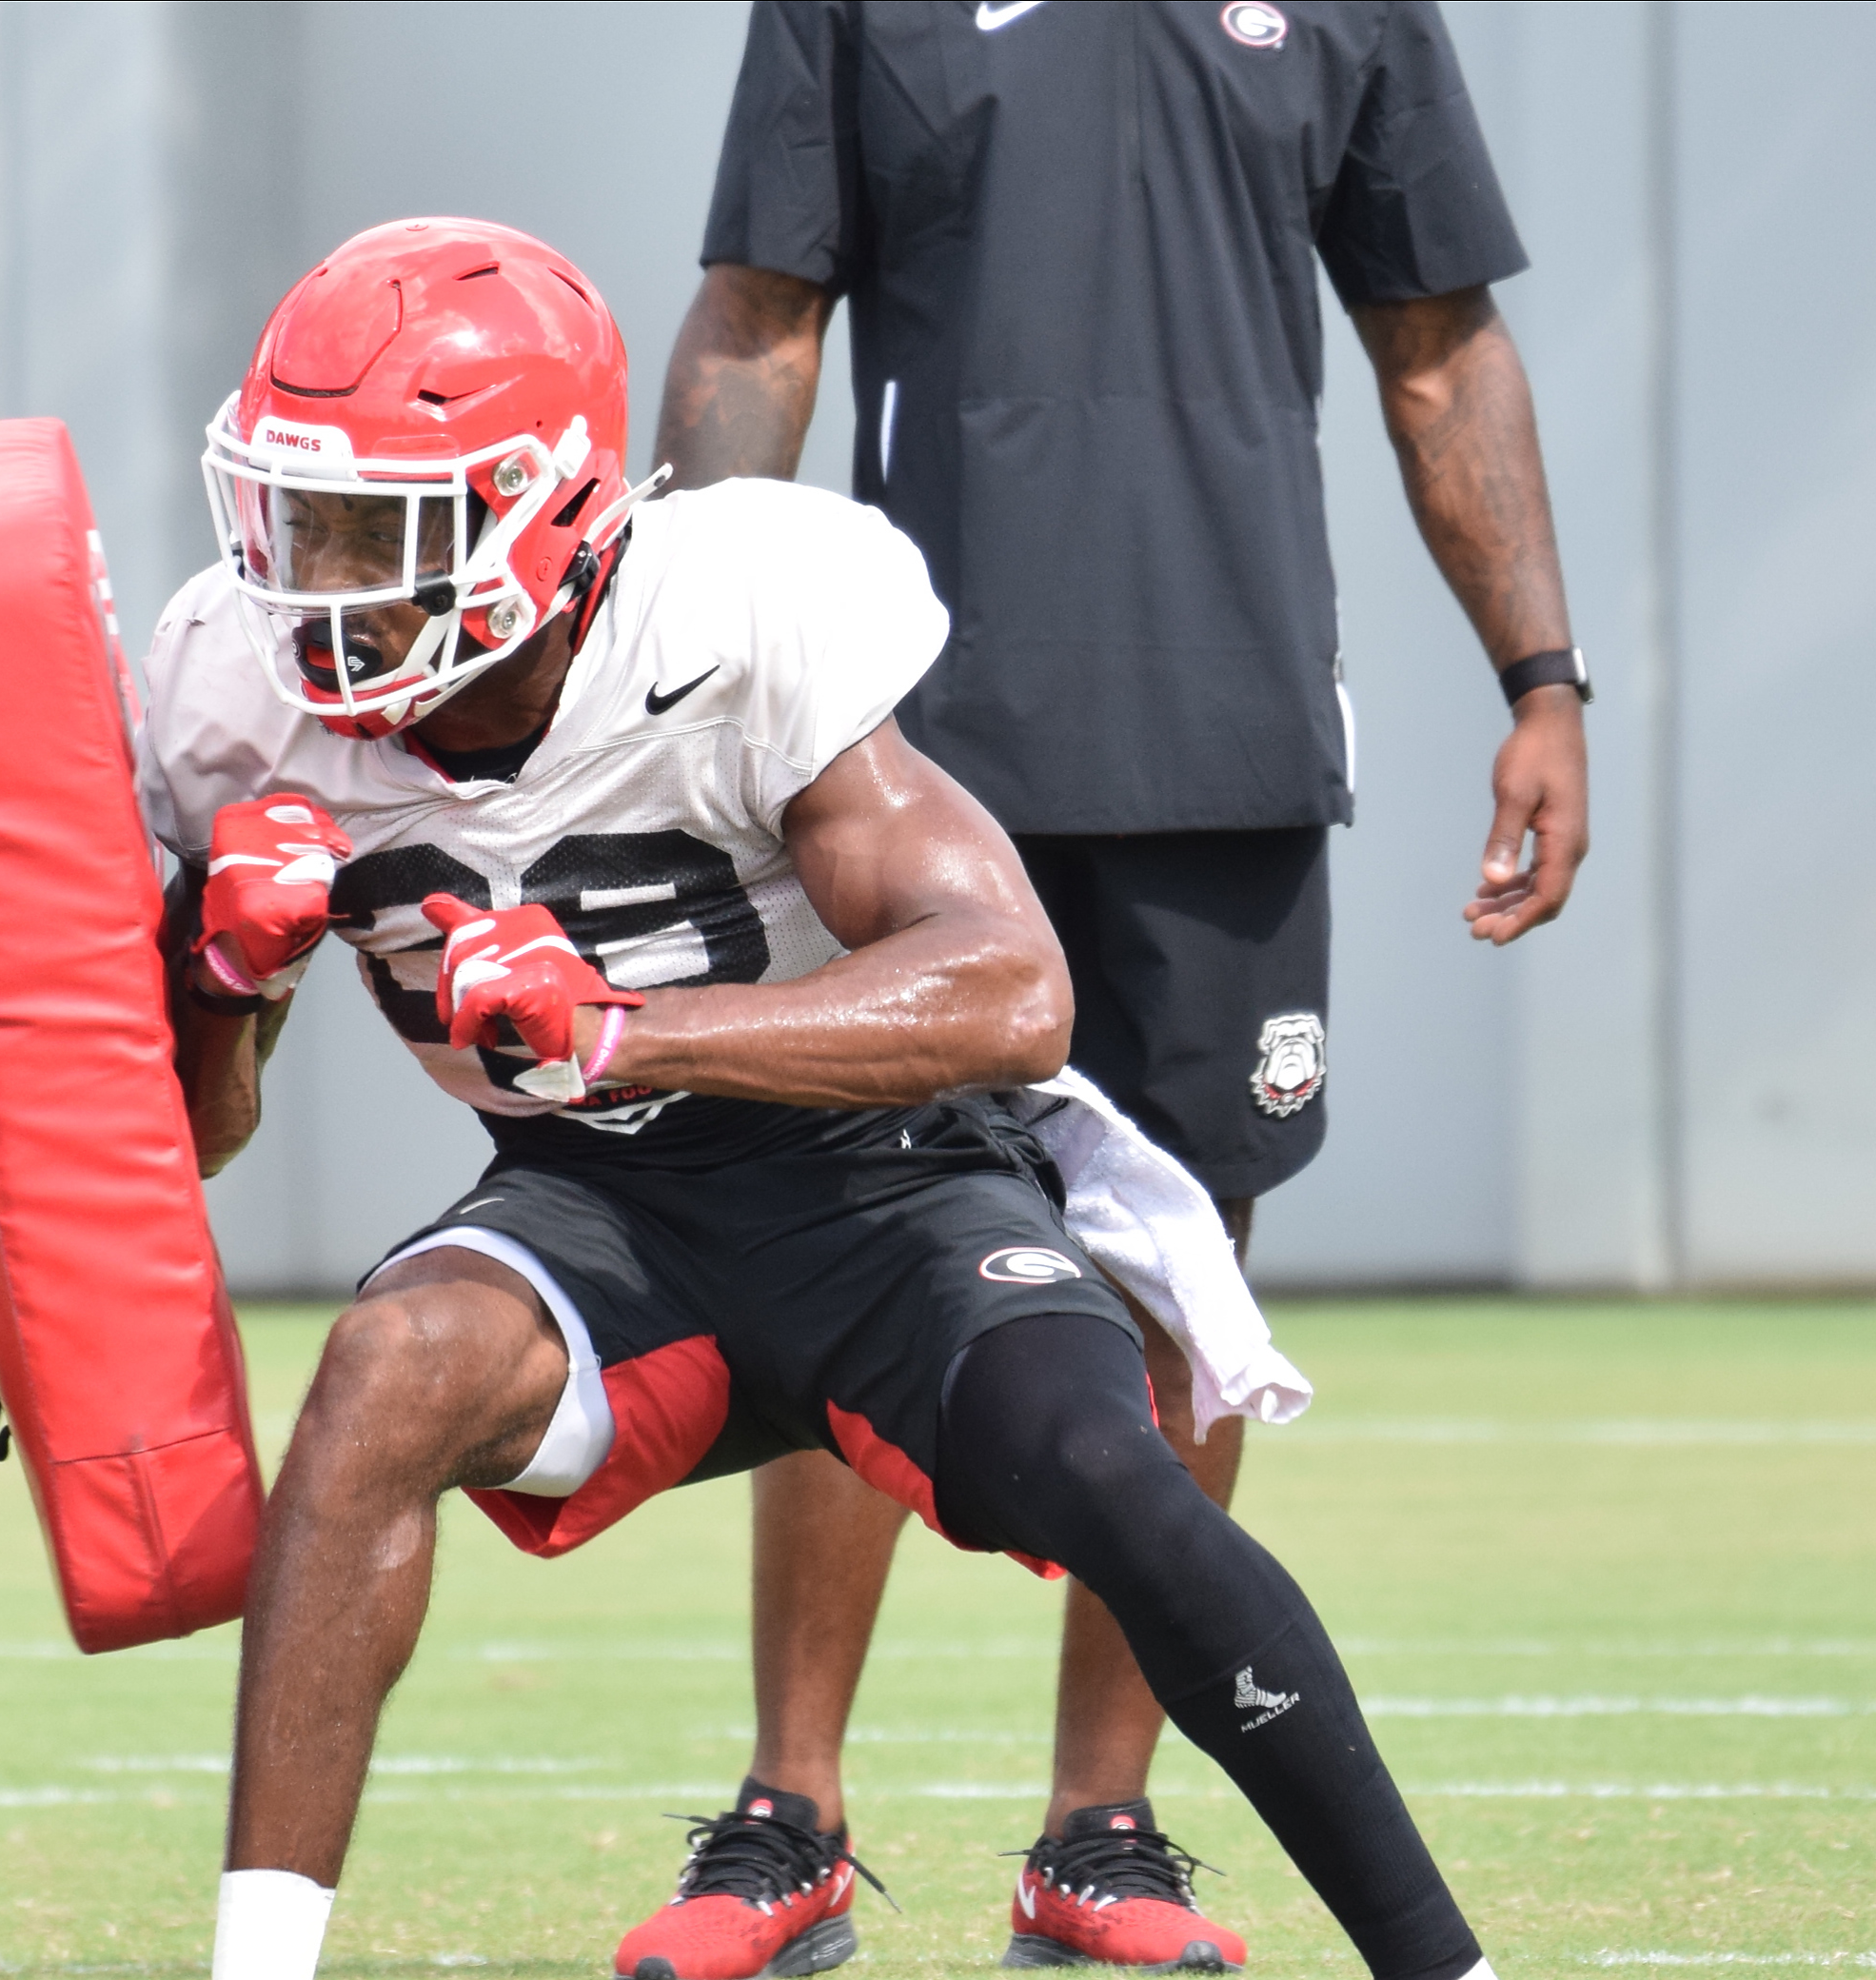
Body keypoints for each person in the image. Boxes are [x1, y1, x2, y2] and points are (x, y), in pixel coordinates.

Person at [146, 218, 1493, 1980]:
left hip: (888, 1186)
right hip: (598, 1214)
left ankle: (1436, 1963)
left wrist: (634, 1027)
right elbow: (190, 1139)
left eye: (373, 530)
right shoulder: (221, 693)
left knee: (1107, 1465)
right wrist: (215, 980)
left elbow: (1010, 987)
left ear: (545, 513)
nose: (313, 580)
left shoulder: (734, 606)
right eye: (294, 519)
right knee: (380, 1371)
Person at [656, 3, 1587, 1963]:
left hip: (1223, 737)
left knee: (1180, 1262)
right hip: (902, 743)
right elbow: (757, 316)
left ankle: (1102, 1831)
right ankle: (787, 1812)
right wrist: (685, 686)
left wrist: (1541, 680)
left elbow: (1439, 344)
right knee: (846, 1251)